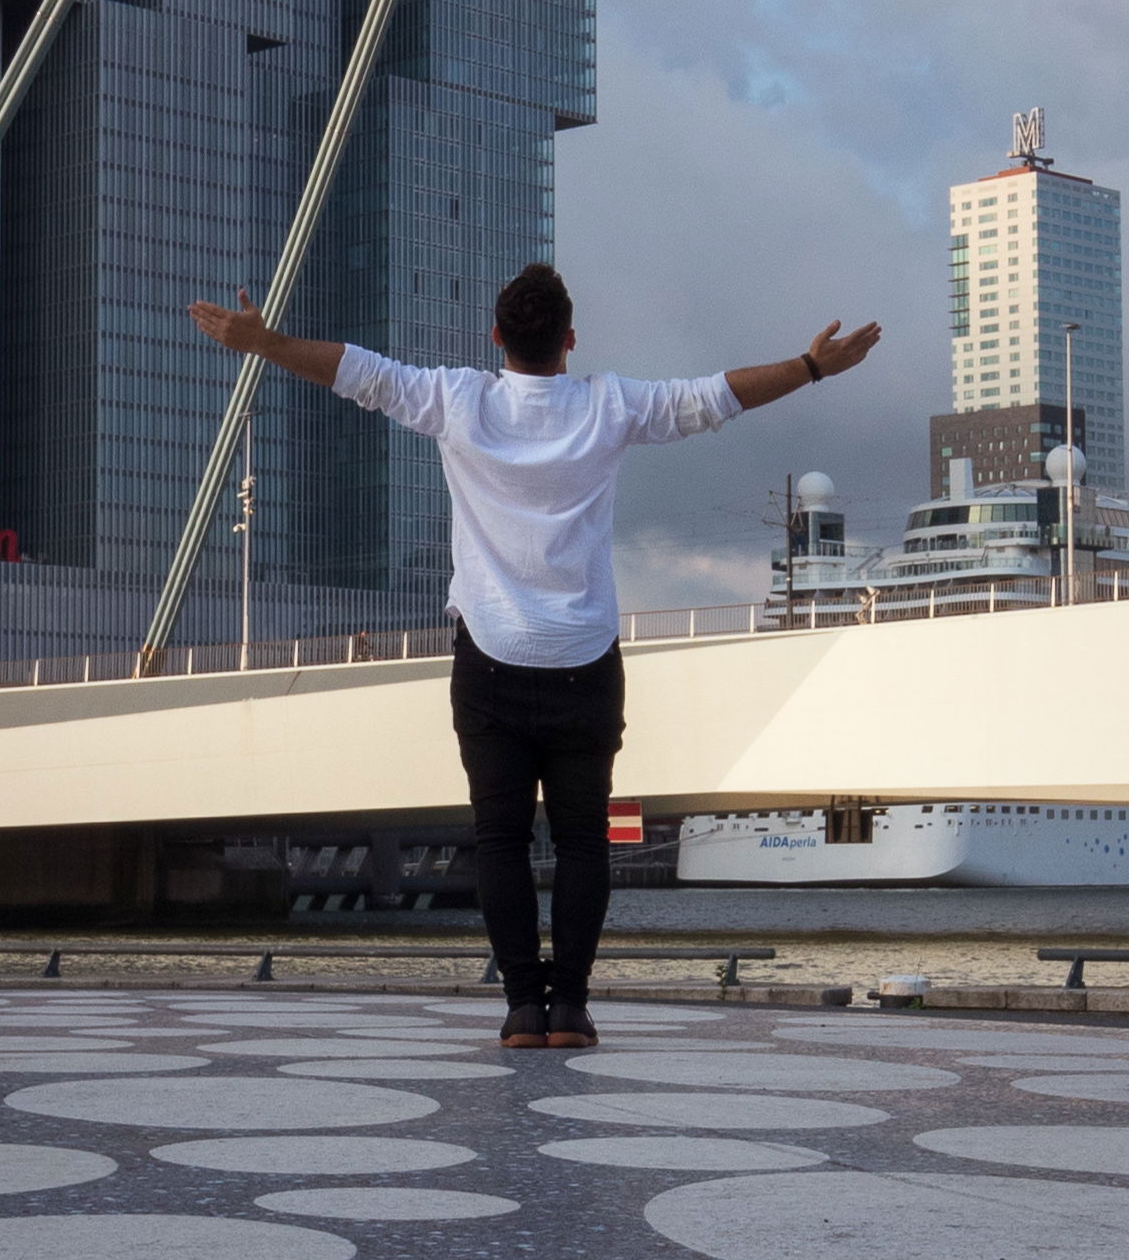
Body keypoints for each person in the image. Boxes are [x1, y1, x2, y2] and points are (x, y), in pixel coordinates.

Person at [186, 262, 879, 1042]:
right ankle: (572, 1008)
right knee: (584, 840)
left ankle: (522, 1007)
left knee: (500, 840)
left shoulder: (458, 399)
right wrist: (812, 366)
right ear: (569, 341)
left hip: (489, 657)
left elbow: (356, 373)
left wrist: (262, 342)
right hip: (585, 658)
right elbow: (712, 398)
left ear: (495, 338)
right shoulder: (608, 405)